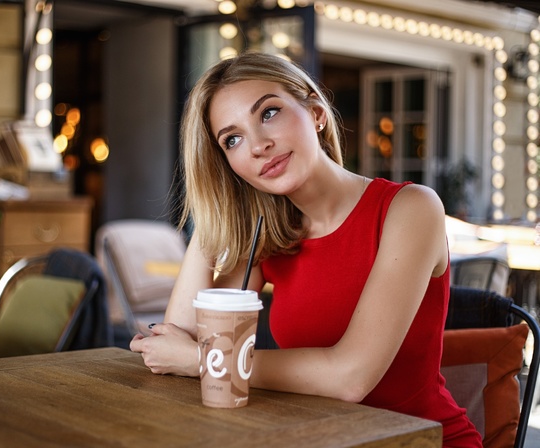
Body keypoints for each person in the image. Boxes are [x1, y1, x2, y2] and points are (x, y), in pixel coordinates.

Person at [130, 52, 482, 447]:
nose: (258, 145)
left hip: (422, 441)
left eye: (268, 113)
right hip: (317, 438)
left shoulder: (411, 209)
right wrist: (216, 205)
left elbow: (351, 378)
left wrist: (202, 361)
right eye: (233, 140)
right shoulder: (270, 235)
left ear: (315, 112)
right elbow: (180, 338)